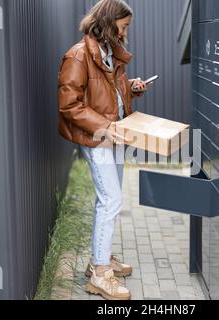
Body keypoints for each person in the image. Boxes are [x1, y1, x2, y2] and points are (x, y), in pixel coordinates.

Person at [57, 0, 148, 300]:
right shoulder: (78, 56)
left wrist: (131, 86)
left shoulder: (109, 52)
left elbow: (111, 90)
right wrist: (106, 127)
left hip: (115, 135)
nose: (125, 33)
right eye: (122, 27)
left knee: (110, 198)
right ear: (108, 23)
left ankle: (101, 256)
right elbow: (69, 106)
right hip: (97, 137)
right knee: (110, 200)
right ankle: (98, 273)